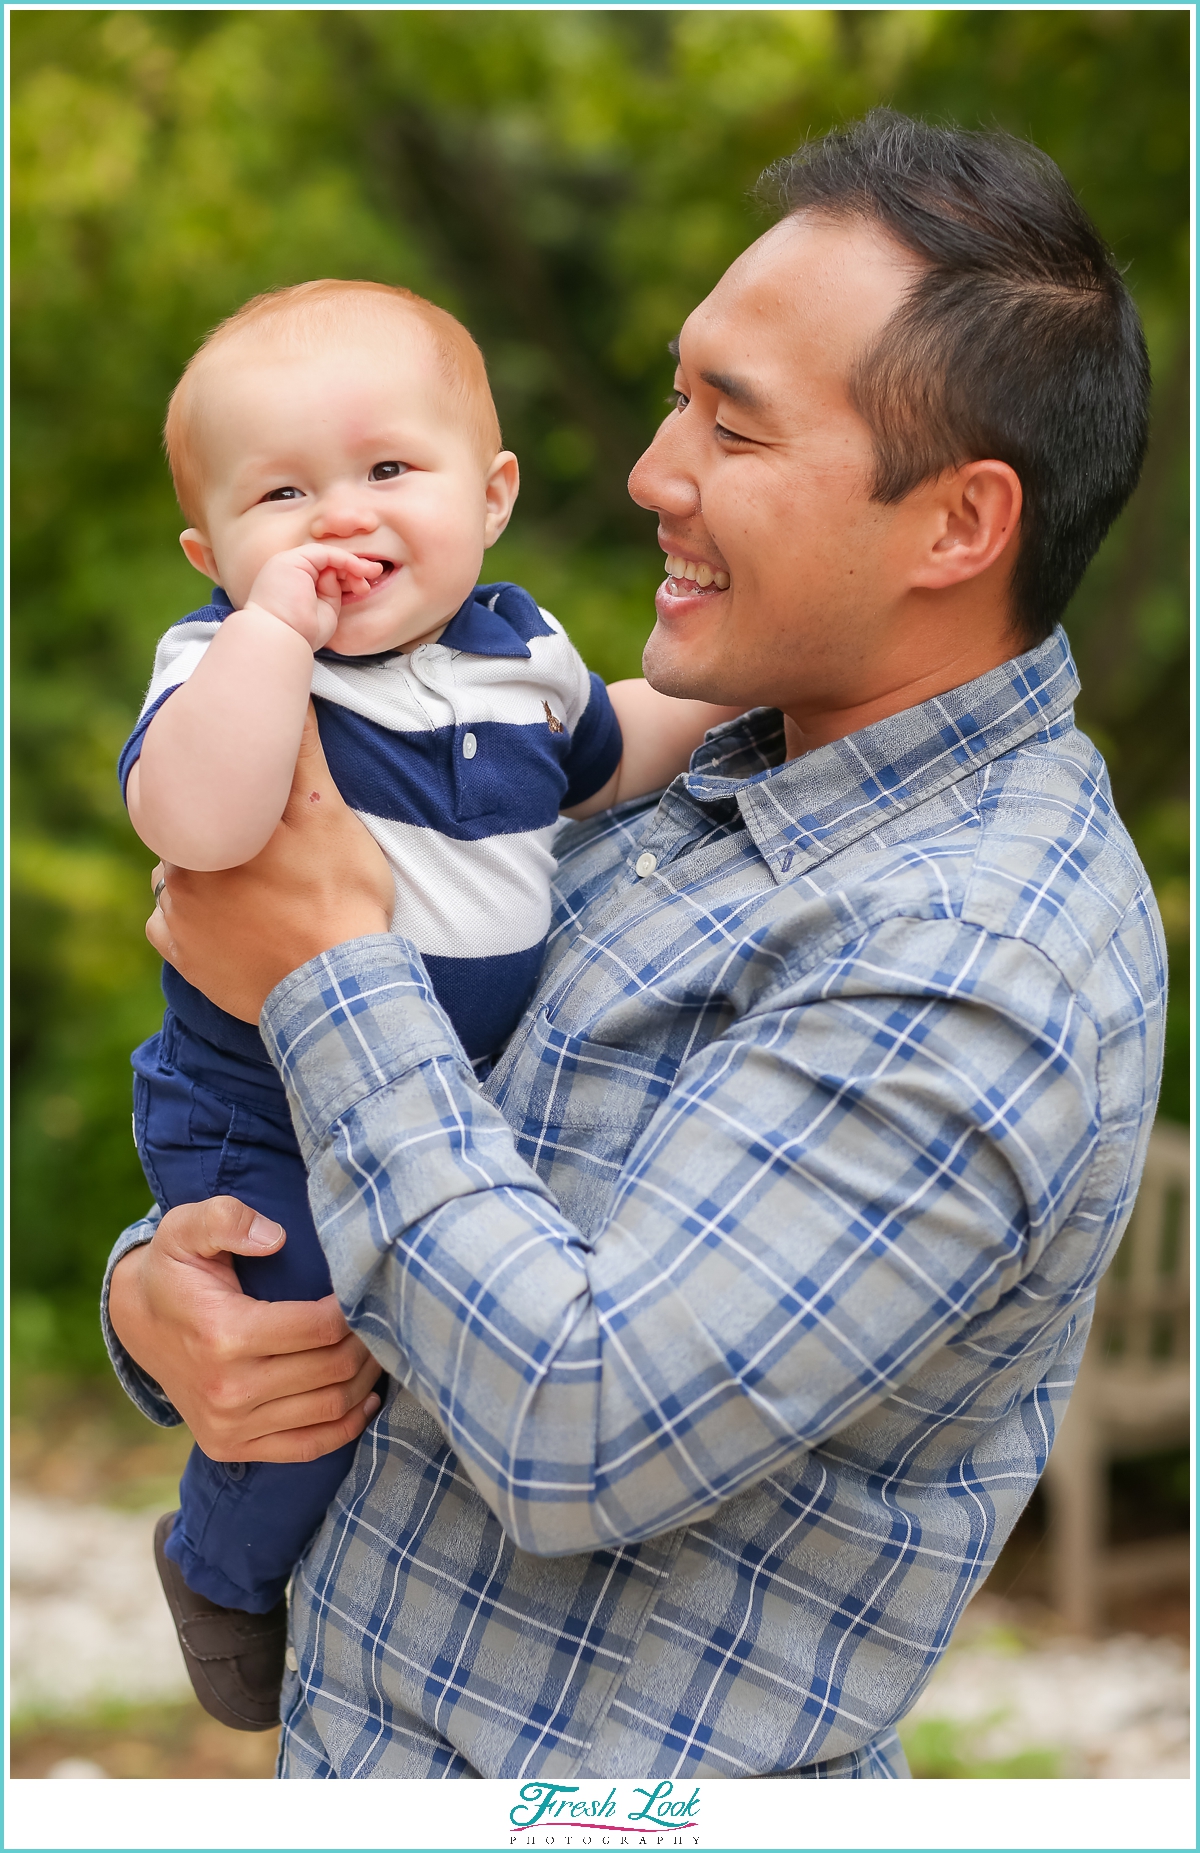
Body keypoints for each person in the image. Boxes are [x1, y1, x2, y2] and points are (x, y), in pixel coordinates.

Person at [104, 112, 1164, 1779]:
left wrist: (323, 964)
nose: (654, 471)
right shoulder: (727, 764)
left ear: (958, 525)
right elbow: (414, 1147)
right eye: (680, 393)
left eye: (730, 429)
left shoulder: (980, 954)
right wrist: (164, 1295)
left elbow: (576, 1419)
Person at [119, 278, 734, 1727]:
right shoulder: (223, 661)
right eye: (282, 495)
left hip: (448, 1098)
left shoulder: (520, 653)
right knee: (306, 1347)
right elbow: (196, 822)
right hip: (257, 1102)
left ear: (494, 490)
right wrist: (271, 635)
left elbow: (613, 749)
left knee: (426, 1324)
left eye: (391, 469)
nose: (341, 518)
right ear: (212, 549)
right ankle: (223, 1563)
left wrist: (733, 699)